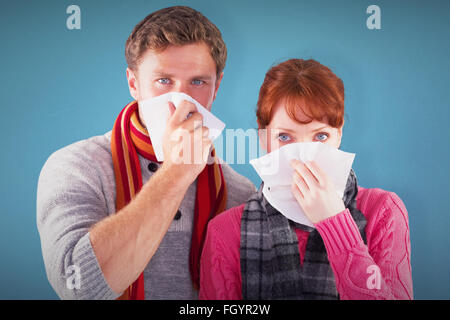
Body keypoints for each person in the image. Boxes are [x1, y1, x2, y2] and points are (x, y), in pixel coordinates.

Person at [36, 6, 256, 300]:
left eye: (198, 82)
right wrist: (176, 173)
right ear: (133, 84)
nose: (181, 100)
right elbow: (78, 289)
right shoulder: (75, 167)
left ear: (216, 89)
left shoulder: (239, 191)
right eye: (164, 81)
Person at [199, 58, 413, 300]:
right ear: (262, 136)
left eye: (320, 136)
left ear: (339, 134)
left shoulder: (382, 211)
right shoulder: (226, 231)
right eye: (285, 138)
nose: (303, 157)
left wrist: (334, 220)